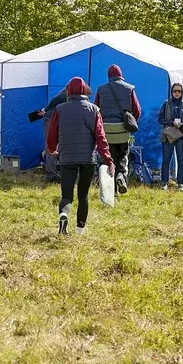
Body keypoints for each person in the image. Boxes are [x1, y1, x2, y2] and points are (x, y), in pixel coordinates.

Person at [46, 77, 114, 235]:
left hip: (66, 158)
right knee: (83, 195)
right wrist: (108, 159)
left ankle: (63, 214)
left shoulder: (60, 109)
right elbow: (101, 138)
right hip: (87, 159)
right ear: (84, 91)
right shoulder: (94, 109)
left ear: (68, 91)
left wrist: (51, 149)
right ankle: (79, 230)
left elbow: (52, 134)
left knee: (66, 195)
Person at [95, 64, 141, 195]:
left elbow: (96, 110)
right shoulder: (130, 88)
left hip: (106, 132)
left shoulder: (101, 89)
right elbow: (137, 110)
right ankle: (121, 176)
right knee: (122, 157)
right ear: (121, 75)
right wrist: (129, 125)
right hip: (122, 131)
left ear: (108, 76)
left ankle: (110, 191)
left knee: (108, 160)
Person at [157, 83, 183, 191]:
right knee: (166, 160)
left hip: (181, 135)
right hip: (168, 135)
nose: (177, 93)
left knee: (181, 160)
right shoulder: (166, 104)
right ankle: (164, 182)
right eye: (175, 91)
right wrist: (171, 122)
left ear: (182, 92)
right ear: (172, 92)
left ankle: (180, 183)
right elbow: (160, 119)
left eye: (179, 91)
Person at [38, 88, 67, 182]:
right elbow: (54, 101)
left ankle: (52, 171)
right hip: (50, 119)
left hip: (53, 119)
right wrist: (46, 109)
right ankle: (51, 174)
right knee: (51, 144)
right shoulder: (64, 95)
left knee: (52, 145)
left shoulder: (65, 94)